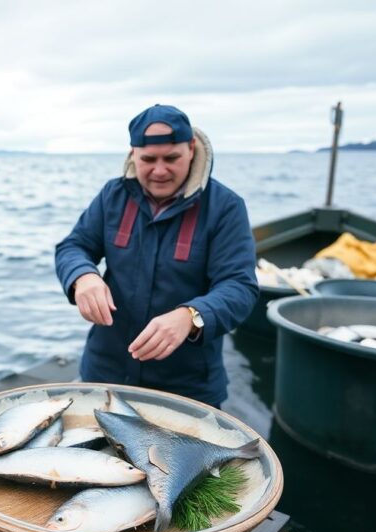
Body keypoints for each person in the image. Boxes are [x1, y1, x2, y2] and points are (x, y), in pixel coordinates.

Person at [54, 104, 258, 409]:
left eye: (171, 158)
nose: (159, 170)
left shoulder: (226, 207)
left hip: (187, 388)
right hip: (105, 374)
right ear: (133, 153)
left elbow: (240, 286)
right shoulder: (113, 195)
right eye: (148, 159)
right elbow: (74, 246)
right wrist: (83, 277)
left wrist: (190, 316)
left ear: (191, 149)